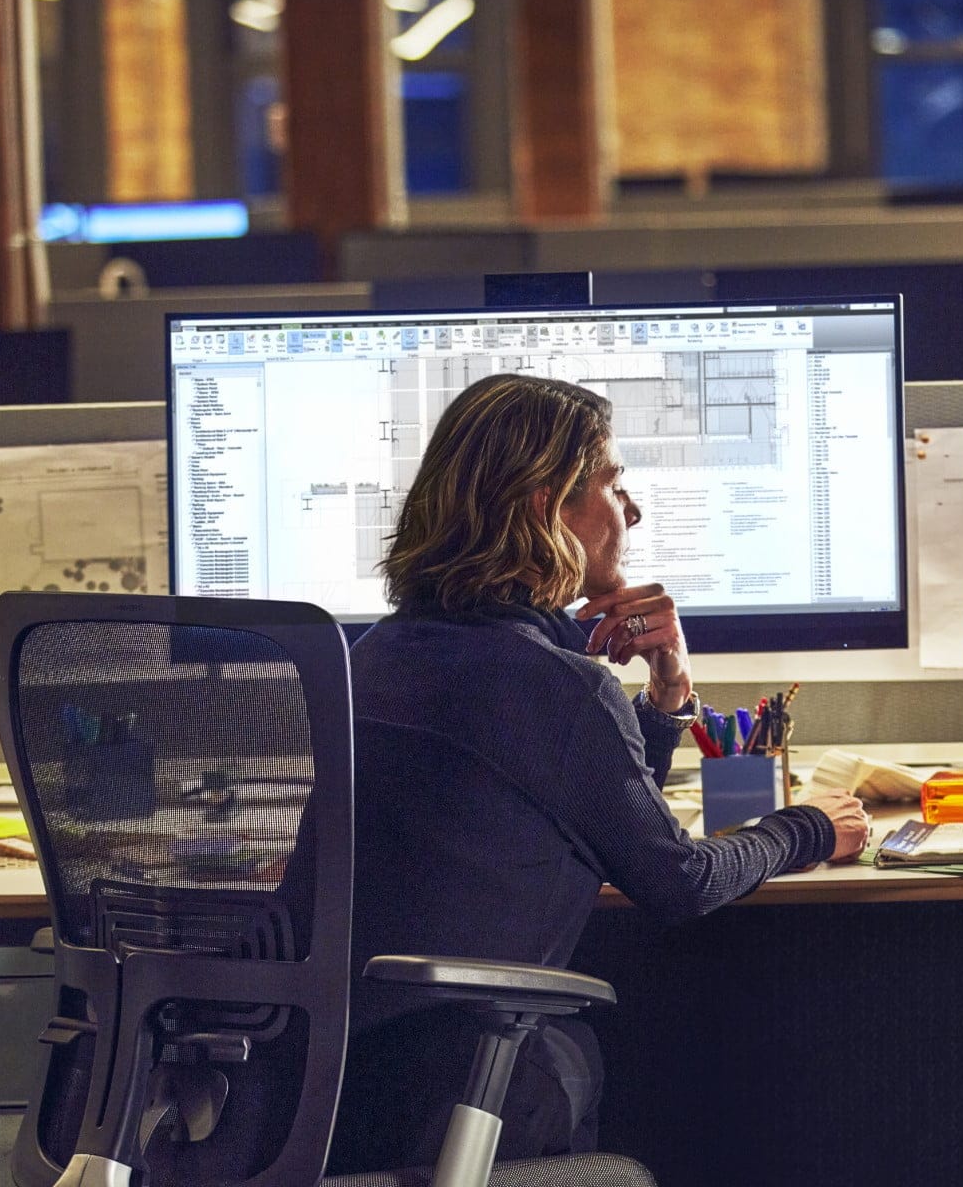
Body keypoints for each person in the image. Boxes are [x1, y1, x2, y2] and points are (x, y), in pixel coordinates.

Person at [325, 373, 871, 1174]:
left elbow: (590, 813)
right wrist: (810, 828)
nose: (634, 511)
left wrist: (667, 693)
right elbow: (677, 880)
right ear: (549, 508)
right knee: (642, 1054)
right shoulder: (548, 681)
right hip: (461, 1092)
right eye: (615, 483)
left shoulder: (378, 653)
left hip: (329, 1093)